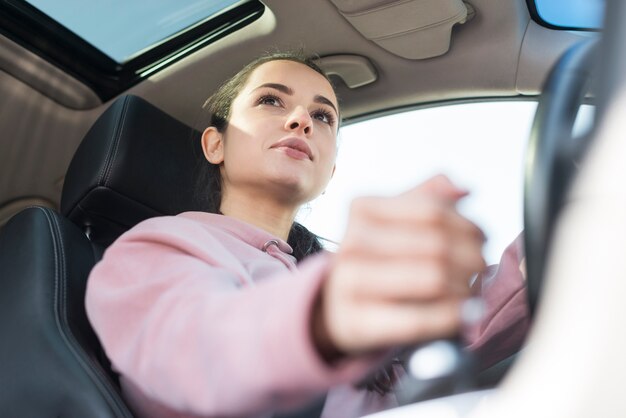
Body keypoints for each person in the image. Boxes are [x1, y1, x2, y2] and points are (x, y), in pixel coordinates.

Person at [85, 51, 528, 418]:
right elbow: (196, 352)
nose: (301, 120)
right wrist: (327, 314)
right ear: (214, 144)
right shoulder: (155, 247)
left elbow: (458, 337)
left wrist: (544, 252)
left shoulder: (325, 269)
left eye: (323, 116)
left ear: (330, 170)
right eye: (271, 102)